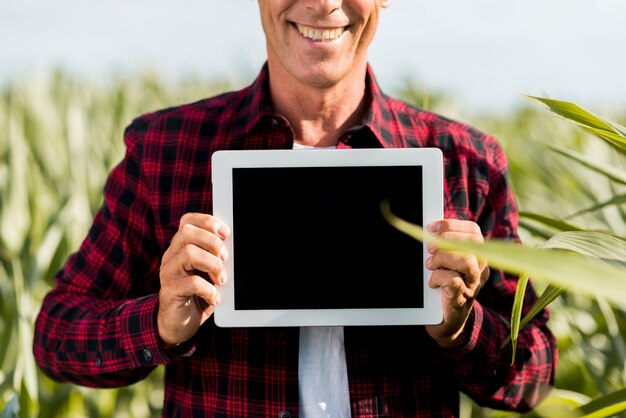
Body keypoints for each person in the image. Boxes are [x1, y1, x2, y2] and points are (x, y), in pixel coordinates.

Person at [33, 1, 557, 417]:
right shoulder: (165, 149)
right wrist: (161, 324)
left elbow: (535, 372)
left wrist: (464, 330)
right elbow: (56, 336)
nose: (323, 4)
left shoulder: (467, 163)